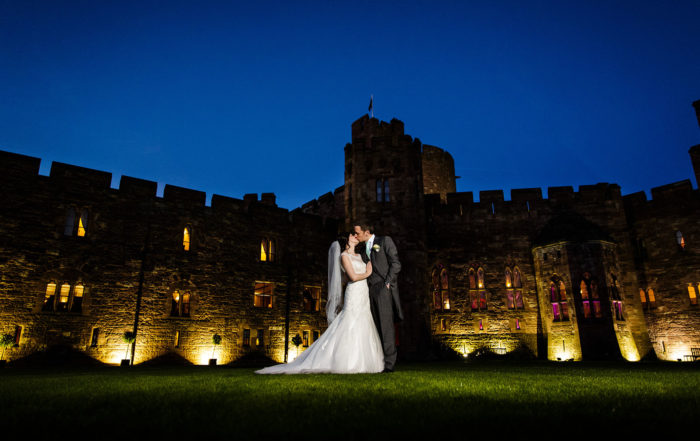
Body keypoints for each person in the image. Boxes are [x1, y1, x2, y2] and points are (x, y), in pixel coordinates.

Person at [255, 232, 384, 374]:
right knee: (350, 322)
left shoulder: (359, 256)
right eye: (352, 235)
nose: (355, 236)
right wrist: (367, 273)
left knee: (363, 321)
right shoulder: (344, 256)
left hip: (363, 292)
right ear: (347, 241)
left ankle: (364, 361)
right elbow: (352, 276)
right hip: (353, 292)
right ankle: (346, 361)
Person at [353, 223, 403, 373]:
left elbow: (396, 264)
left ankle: (389, 364)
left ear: (367, 232)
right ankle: (378, 362)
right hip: (368, 290)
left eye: (358, 233)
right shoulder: (363, 249)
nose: (356, 236)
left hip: (383, 288)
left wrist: (387, 282)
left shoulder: (384, 241)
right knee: (374, 327)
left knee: (386, 326)